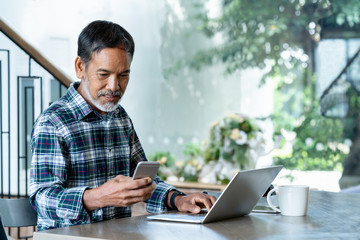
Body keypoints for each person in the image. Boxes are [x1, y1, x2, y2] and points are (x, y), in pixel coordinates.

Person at [29, 20, 216, 231]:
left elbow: (143, 182)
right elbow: (42, 199)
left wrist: (178, 199)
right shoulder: (53, 122)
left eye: (123, 75)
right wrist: (99, 197)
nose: (114, 86)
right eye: (104, 74)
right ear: (80, 67)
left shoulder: (120, 117)